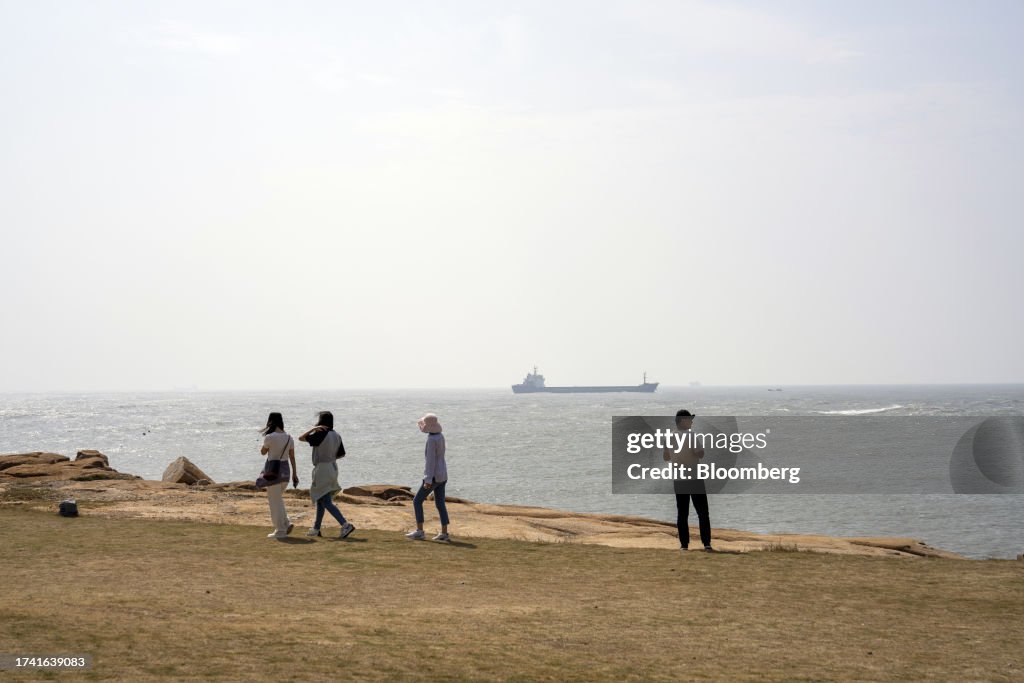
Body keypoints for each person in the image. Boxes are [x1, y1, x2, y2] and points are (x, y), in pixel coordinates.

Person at [298, 411, 355, 539]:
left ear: (321, 421)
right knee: (321, 499)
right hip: (333, 467)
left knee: (326, 501)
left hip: (322, 468)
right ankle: (316, 528)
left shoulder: (320, 433)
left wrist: (313, 429)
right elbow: (342, 454)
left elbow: (301, 438)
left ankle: (345, 524)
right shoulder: (336, 435)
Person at [664, 409, 713, 552]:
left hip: (678, 479)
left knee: (682, 512)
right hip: (694, 478)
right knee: (703, 512)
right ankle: (706, 544)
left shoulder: (670, 437)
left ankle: (684, 545)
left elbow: (666, 457)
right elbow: (700, 454)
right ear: (683, 421)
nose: (691, 421)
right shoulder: (691, 436)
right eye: (690, 419)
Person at [406, 413, 450, 542]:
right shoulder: (440, 436)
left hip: (434, 476)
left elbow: (430, 461)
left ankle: (420, 531)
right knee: (440, 504)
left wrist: (428, 479)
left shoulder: (431, 439)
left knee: (417, 501)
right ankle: (444, 533)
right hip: (443, 475)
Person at [260, 412, 298, 539]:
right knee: (278, 499)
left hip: (273, 471)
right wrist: (295, 474)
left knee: (274, 501)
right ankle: (286, 523)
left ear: (270, 422)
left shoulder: (270, 437)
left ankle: (280, 530)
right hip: (286, 471)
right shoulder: (289, 438)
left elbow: (263, 452)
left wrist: (267, 447)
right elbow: (292, 456)